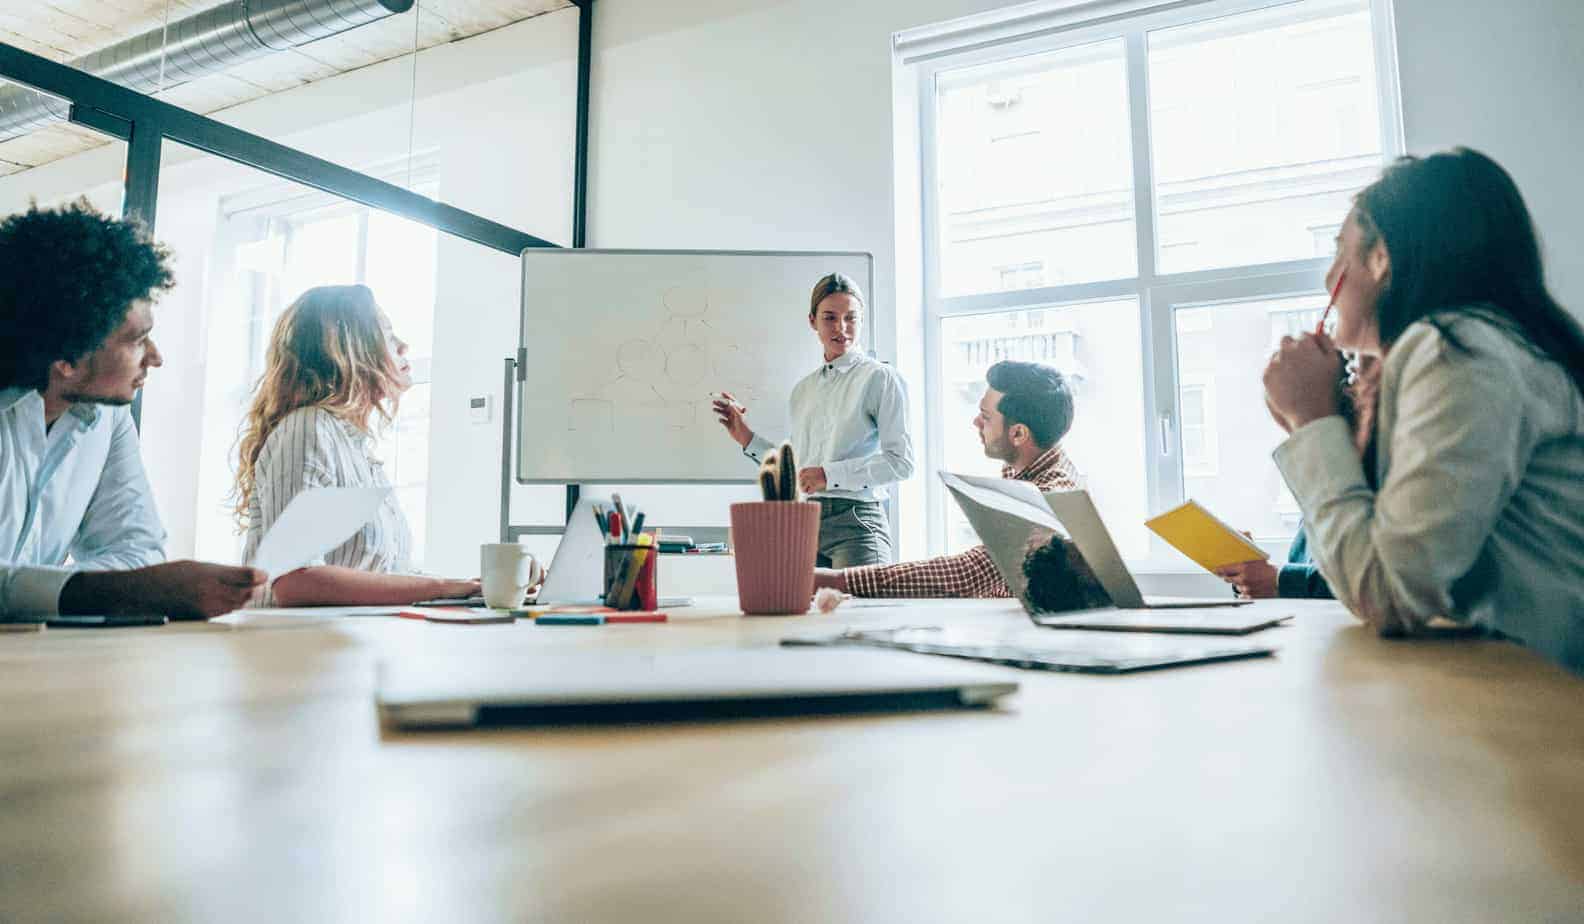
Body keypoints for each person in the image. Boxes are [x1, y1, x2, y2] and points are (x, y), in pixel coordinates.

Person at [1262, 147, 1584, 672]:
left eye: (1340, 252)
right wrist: (1326, 423)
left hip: (1545, 712)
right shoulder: (1492, 344)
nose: (1328, 280)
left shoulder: (1458, 349)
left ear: (1381, 256)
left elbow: (1388, 592)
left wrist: (1311, 422)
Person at [0, 200, 265, 621]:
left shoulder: (107, 416)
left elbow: (135, 546)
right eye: (137, 340)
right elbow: (126, 581)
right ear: (66, 358)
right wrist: (114, 591)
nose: (155, 357)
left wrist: (111, 590)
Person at [234, 285, 479, 606]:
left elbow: (384, 572)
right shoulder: (309, 427)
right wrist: (444, 586)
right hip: (294, 648)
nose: (404, 346)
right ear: (350, 349)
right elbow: (294, 582)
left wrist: (474, 585)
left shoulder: (355, 447)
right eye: (389, 336)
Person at [813, 360, 1083, 597]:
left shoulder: (1048, 496)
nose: (976, 423)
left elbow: (969, 574)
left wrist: (837, 580)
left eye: (986, 417)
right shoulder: (1029, 464)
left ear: (1019, 434)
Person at [712, 272, 914, 567]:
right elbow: (798, 471)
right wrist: (745, 436)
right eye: (830, 317)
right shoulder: (803, 390)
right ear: (812, 321)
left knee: (860, 613)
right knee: (800, 613)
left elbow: (901, 463)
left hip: (857, 524)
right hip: (806, 524)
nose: (842, 328)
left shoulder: (880, 378)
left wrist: (829, 475)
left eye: (851, 318)